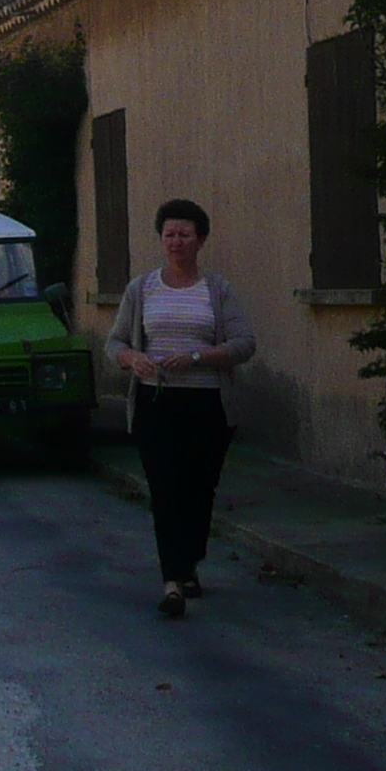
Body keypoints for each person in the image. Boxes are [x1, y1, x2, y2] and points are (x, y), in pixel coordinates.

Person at [105, 198, 256, 619]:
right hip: (157, 403)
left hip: (207, 405)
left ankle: (189, 560)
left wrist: (197, 357)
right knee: (165, 490)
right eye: (169, 234)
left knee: (198, 489)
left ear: (200, 240)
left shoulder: (217, 290)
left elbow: (245, 344)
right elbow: (114, 343)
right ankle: (171, 581)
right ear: (161, 239)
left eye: (184, 234)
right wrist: (133, 359)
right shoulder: (141, 289)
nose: (176, 242)